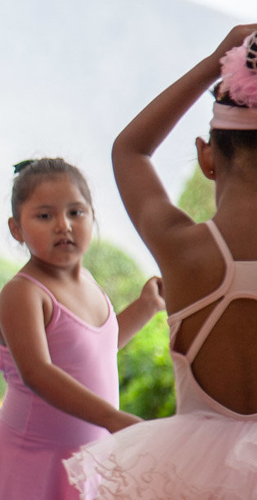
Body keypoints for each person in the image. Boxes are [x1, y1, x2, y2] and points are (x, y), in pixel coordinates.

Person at [63, 25, 257, 499]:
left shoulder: (183, 249)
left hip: (193, 477)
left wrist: (216, 58)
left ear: (206, 157)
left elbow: (130, 149)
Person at [0, 158, 165, 500]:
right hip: (33, 463)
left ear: (92, 216)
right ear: (16, 229)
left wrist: (146, 307)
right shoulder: (23, 292)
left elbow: (94, 349)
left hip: (85, 459)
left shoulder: (89, 282)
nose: (63, 225)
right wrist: (111, 419)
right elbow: (38, 372)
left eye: (75, 212)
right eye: (44, 215)